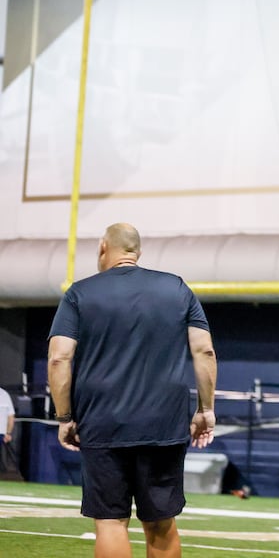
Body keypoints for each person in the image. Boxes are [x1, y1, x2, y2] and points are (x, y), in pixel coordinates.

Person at [45, 222, 218, 558]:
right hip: (164, 426)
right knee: (161, 522)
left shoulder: (80, 293)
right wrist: (205, 409)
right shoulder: (177, 288)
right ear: (137, 252)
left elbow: (58, 358)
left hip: (102, 423)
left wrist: (65, 417)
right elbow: (204, 351)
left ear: (102, 248)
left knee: (110, 522)